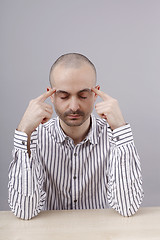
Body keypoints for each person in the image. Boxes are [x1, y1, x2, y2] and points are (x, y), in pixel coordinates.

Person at [8, 53, 144, 220]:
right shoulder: (36, 138)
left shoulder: (114, 136)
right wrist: (24, 133)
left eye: (83, 96)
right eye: (64, 96)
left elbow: (127, 207)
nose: (73, 106)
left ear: (95, 94)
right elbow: (24, 212)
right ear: (51, 96)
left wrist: (121, 129)